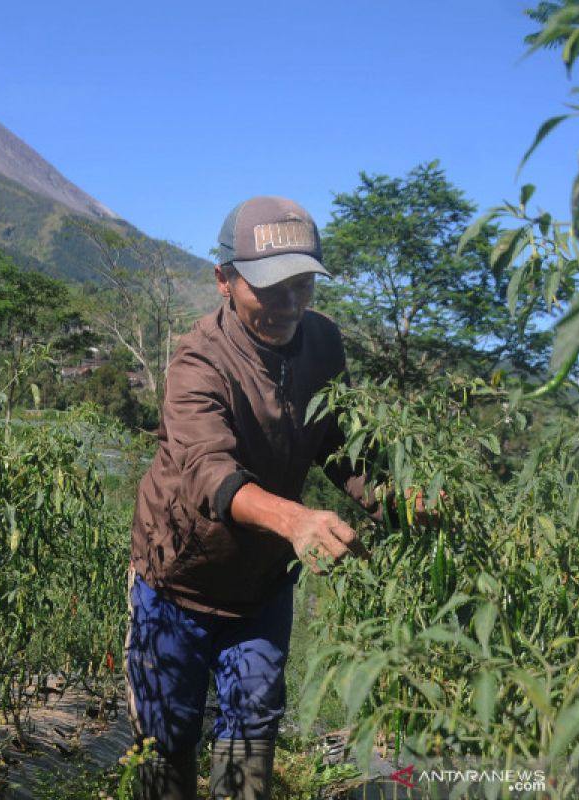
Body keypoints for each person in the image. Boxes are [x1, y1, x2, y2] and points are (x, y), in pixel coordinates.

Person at [125, 196, 380, 800]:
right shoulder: (198, 361)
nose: (290, 304)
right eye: (271, 287)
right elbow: (207, 471)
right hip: (176, 582)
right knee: (164, 738)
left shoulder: (323, 344)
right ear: (224, 281)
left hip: (260, 588)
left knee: (251, 730)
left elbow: (339, 443)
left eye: (302, 284)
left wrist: (396, 496)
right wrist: (294, 518)